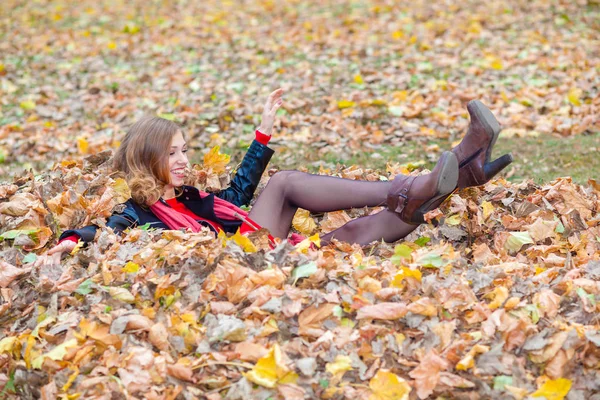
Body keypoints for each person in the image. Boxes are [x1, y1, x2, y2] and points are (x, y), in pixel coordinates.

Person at [37, 89, 513, 267]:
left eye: (184, 150)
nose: (182, 160)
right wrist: (65, 244)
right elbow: (102, 231)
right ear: (147, 160)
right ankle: (442, 176)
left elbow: (238, 196)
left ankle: (455, 176)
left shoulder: (187, 195)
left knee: (336, 227)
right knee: (299, 198)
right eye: (172, 153)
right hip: (236, 264)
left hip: (249, 246)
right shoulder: (140, 212)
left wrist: (261, 133)